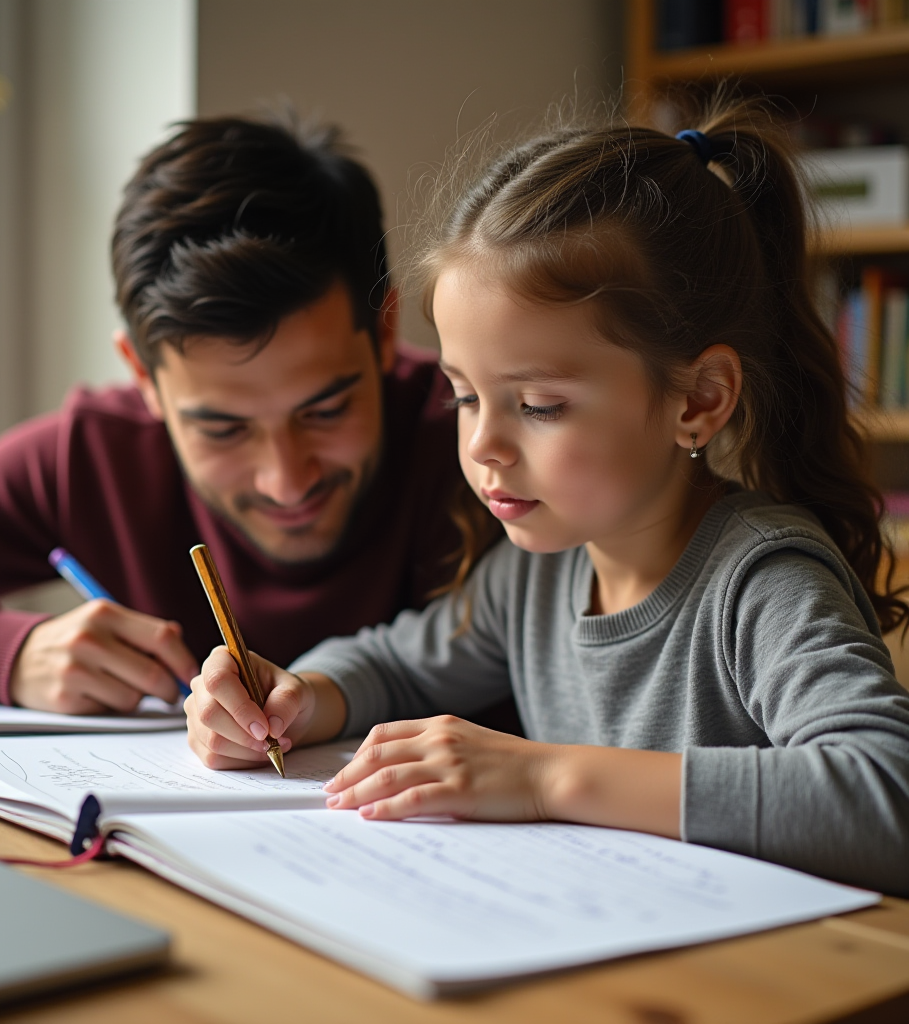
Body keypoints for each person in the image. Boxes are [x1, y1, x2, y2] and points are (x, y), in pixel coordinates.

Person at [185, 99, 909, 896]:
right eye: (464, 397)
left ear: (699, 398)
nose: (483, 445)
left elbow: (885, 797)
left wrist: (543, 778)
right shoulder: (539, 573)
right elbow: (393, 665)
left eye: (538, 406)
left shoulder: (761, 580)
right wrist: (296, 700)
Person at [0, 114, 483, 716]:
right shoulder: (92, 456)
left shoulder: (489, 439)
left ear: (384, 329)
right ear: (142, 376)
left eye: (325, 411)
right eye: (222, 428)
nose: (286, 479)